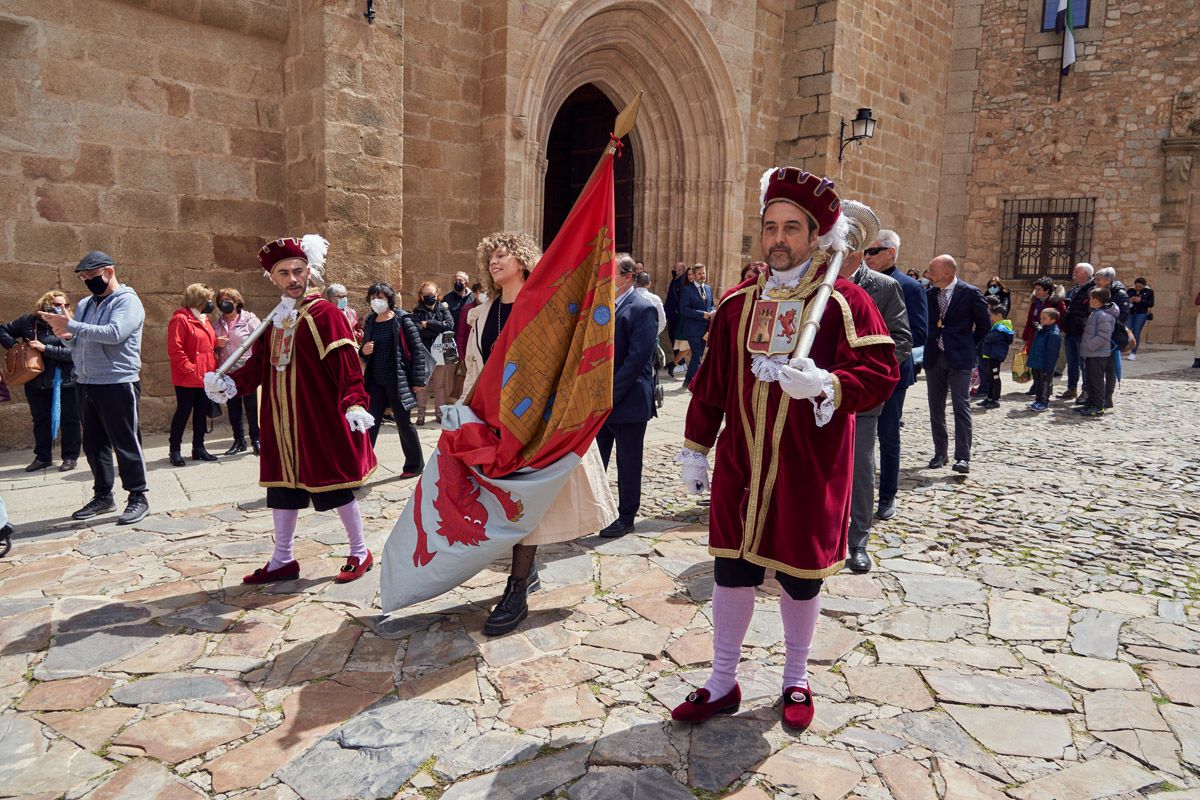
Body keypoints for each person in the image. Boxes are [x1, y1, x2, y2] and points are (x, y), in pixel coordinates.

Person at [672, 167, 897, 732]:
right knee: (731, 571)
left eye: (791, 228)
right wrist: (696, 447)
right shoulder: (737, 304)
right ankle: (723, 680)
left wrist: (828, 384)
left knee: (801, 576)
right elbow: (713, 380)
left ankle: (796, 677)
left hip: (809, 465)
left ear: (816, 234)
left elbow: (881, 371)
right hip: (742, 463)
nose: (777, 238)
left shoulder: (845, 302)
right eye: (770, 226)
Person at [462, 232, 615, 635]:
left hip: (535, 421)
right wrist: (464, 412)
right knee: (500, 503)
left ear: (523, 259)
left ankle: (517, 589)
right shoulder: (483, 312)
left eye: (502, 255)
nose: (494, 262)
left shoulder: (543, 307)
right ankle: (523, 576)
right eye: (490, 256)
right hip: (491, 422)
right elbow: (476, 368)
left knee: (523, 503)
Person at [204, 235, 378, 584]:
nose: (293, 278)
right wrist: (232, 383)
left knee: (333, 486)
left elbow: (346, 364)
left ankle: (360, 551)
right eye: (284, 273)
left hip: (317, 419)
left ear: (309, 271)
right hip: (280, 421)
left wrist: (355, 401)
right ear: (273, 278)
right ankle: (282, 559)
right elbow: (259, 367)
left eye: (298, 270)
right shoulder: (277, 318)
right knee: (282, 489)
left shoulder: (325, 313)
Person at [39, 251, 149, 525]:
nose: (88, 281)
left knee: (125, 443)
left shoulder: (128, 302)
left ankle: (138, 496)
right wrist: (64, 335)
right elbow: (79, 341)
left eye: (92, 276)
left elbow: (114, 334)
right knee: (94, 444)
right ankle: (103, 496)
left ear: (109, 272)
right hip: (86, 382)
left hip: (117, 381)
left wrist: (72, 325)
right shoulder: (87, 303)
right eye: (84, 277)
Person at [845, 248, 911, 573]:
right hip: (817, 394)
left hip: (863, 398)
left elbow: (901, 339)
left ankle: (858, 541)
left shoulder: (884, 287)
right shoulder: (815, 284)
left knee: (860, 468)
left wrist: (871, 378)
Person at [863, 230, 927, 521]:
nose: (867, 256)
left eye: (873, 251)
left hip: (891, 375)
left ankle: (887, 496)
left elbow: (917, 332)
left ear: (891, 252)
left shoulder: (909, 286)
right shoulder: (861, 283)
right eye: (866, 251)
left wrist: (881, 360)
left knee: (888, 437)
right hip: (859, 374)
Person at [595, 255, 659, 539]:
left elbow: (636, 360)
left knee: (629, 462)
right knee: (598, 459)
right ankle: (597, 510)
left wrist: (610, 393)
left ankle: (626, 516)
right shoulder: (604, 306)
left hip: (629, 399)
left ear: (627, 276)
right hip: (602, 400)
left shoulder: (643, 308)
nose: (606, 279)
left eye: (611, 274)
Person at [0, 291, 81, 472]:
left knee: (70, 419)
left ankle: (70, 456)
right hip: (36, 379)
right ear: (45, 307)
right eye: (58, 306)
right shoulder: (28, 322)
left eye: (66, 305)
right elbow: (2, 329)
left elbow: (75, 355)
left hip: (66, 379)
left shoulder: (72, 325)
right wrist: (15, 347)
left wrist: (45, 348)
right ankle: (43, 457)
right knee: (40, 420)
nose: (63, 309)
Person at [924, 254, 989, 474]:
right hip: (934, 356)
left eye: (932, 270)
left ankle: (962, 457)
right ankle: (940, 453)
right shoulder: (930, 294)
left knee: (961, 406)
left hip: (960, 357)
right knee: (936, 407)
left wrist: (968, 345)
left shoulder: (970, 293)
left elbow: (983, 326)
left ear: (947, 272)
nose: (929, 273)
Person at [360, 281, 427, 478]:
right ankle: (362, 466)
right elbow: (364, 349)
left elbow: (417, 352)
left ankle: (414, 465)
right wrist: (363, 350)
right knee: (369, 424)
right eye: (372, 298)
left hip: (398, 382)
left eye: (379, 297)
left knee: (404, 424)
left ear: (389, 299)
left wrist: (417, 381)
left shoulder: (403, 320)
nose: (376, 301)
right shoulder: (370, 321)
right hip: (374, 382)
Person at [166, 284, 219, 466]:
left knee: (201, 413)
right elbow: (175, 348)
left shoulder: (204, 319)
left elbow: (206, 344)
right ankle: (175, 450)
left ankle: (199, 447)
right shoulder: (181, 319)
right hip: (188, 376)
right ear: (199, 300)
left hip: (205, 375)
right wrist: (189, 368)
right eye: (208, 299)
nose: (211, 303)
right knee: (183, 412)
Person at [213, 288, 262, 456]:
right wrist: (215, 343)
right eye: (221, 300)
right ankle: (238, 440)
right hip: (228, 369)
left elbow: (261, 339)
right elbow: (211, 345)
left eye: (227, 300)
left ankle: (256, 439)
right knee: (233, 407)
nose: (223, 303)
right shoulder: (218, 323)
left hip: (247, 369)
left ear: (236, 302)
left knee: (252, 406)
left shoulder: (250, 319)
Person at [410, 281, 454, 425]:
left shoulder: (443, 309)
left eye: (432, 294)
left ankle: (439, 413)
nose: (429, 297)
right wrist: (436, 328)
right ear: (421, 296)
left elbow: (449, 325)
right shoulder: (417, 311)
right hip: (424, 352)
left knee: (439, 385)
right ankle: (421, 414)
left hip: (440, 351)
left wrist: (428, 324)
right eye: (426, 294)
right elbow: (417, 331)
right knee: (423, 385)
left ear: (437, 294)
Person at [1079, 286, 1118, 418]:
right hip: (1092, 353)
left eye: (1091, 298)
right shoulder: (1096, 313)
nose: (1089, 300)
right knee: (1089, 379)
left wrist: (1090, 346)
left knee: (1096, 380)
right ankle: (1090, 403)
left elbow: (1103, 336)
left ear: (1096, 300)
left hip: (1098, 353)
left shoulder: (1103, 315)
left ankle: (1098, 406)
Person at [1060, 262, 1095, 400]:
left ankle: (1086, 391)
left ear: (1086, 273)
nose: (1074, 274)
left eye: (1077, 271)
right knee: (1072, 362)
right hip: (1071, 330)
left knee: (1083, 363)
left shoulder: (1091, 289)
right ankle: (1071, 388)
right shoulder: (1075, 290)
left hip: (1082, 332)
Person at [678, 263, 715, 387]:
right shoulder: (687, 290)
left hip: (705, 329)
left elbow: (711, 304)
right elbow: (683, 309)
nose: (702, 276)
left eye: (704, 273)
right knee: (697, 355)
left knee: (697, 355)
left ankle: (688, 380)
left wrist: (713, 310)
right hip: (692, 329)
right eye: (699, 274)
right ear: (693, 275)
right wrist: (701, 314)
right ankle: (699, 383)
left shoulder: (708, 289)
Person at [443, 271, 475, 400]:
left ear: (466, 283)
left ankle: (465, 400)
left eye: (460, 281)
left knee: (468, 372)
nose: (457, 283)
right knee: (450, 373)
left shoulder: (473, 298)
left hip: (468, 341)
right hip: (450, 341)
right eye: (455, 280)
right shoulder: (447, 298)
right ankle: (449, 401)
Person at [977, 300, 1014, 409]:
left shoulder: (1001, 328)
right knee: (989, 377)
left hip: (995, 356)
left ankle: (995, 400)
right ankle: (989, 398)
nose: (990, 318)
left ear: (999, 315)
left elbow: (989, 339)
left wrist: (985, 337)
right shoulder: (997, 326)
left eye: (992, 316)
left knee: (994, 378)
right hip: (990, 355)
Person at [1026, 307, 1060, 411]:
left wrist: (1048, 367)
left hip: (1045, 364)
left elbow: (1052, 353)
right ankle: (1038, 399)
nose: (1041, 320)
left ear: (1052, 320)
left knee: (1045, 382)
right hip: (1037, 362)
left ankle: (1044, 402)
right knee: (1037, 381)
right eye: (1041, 318)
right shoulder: (1042, 330)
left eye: (1044, 318)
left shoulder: (1053, 334)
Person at [664, 261, 689, 376]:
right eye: (674, 267)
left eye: (677, 268)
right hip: (672, 314)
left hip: (677, 315)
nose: (674, 269)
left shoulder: (683, 281)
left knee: (676, 339)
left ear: (682, 270)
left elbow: (682, 299)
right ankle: (681, 363)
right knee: (673, 338)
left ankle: (680, 363)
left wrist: (678, 311)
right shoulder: (675, 280)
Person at [1127, 277, 1154, 358]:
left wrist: (1141, 301)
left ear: (1144, 286)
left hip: (1141, 314)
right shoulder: (1130, 290)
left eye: (1140, 287)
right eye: (1136, 286)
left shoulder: (1149, 292)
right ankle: (1124, 348)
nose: (1138, 288)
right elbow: (1124, 300)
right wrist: (1129, 300)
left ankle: (1133, 353)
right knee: (1126, 329)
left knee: (1136, 332)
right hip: (1131, 313)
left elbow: (1151, 303)